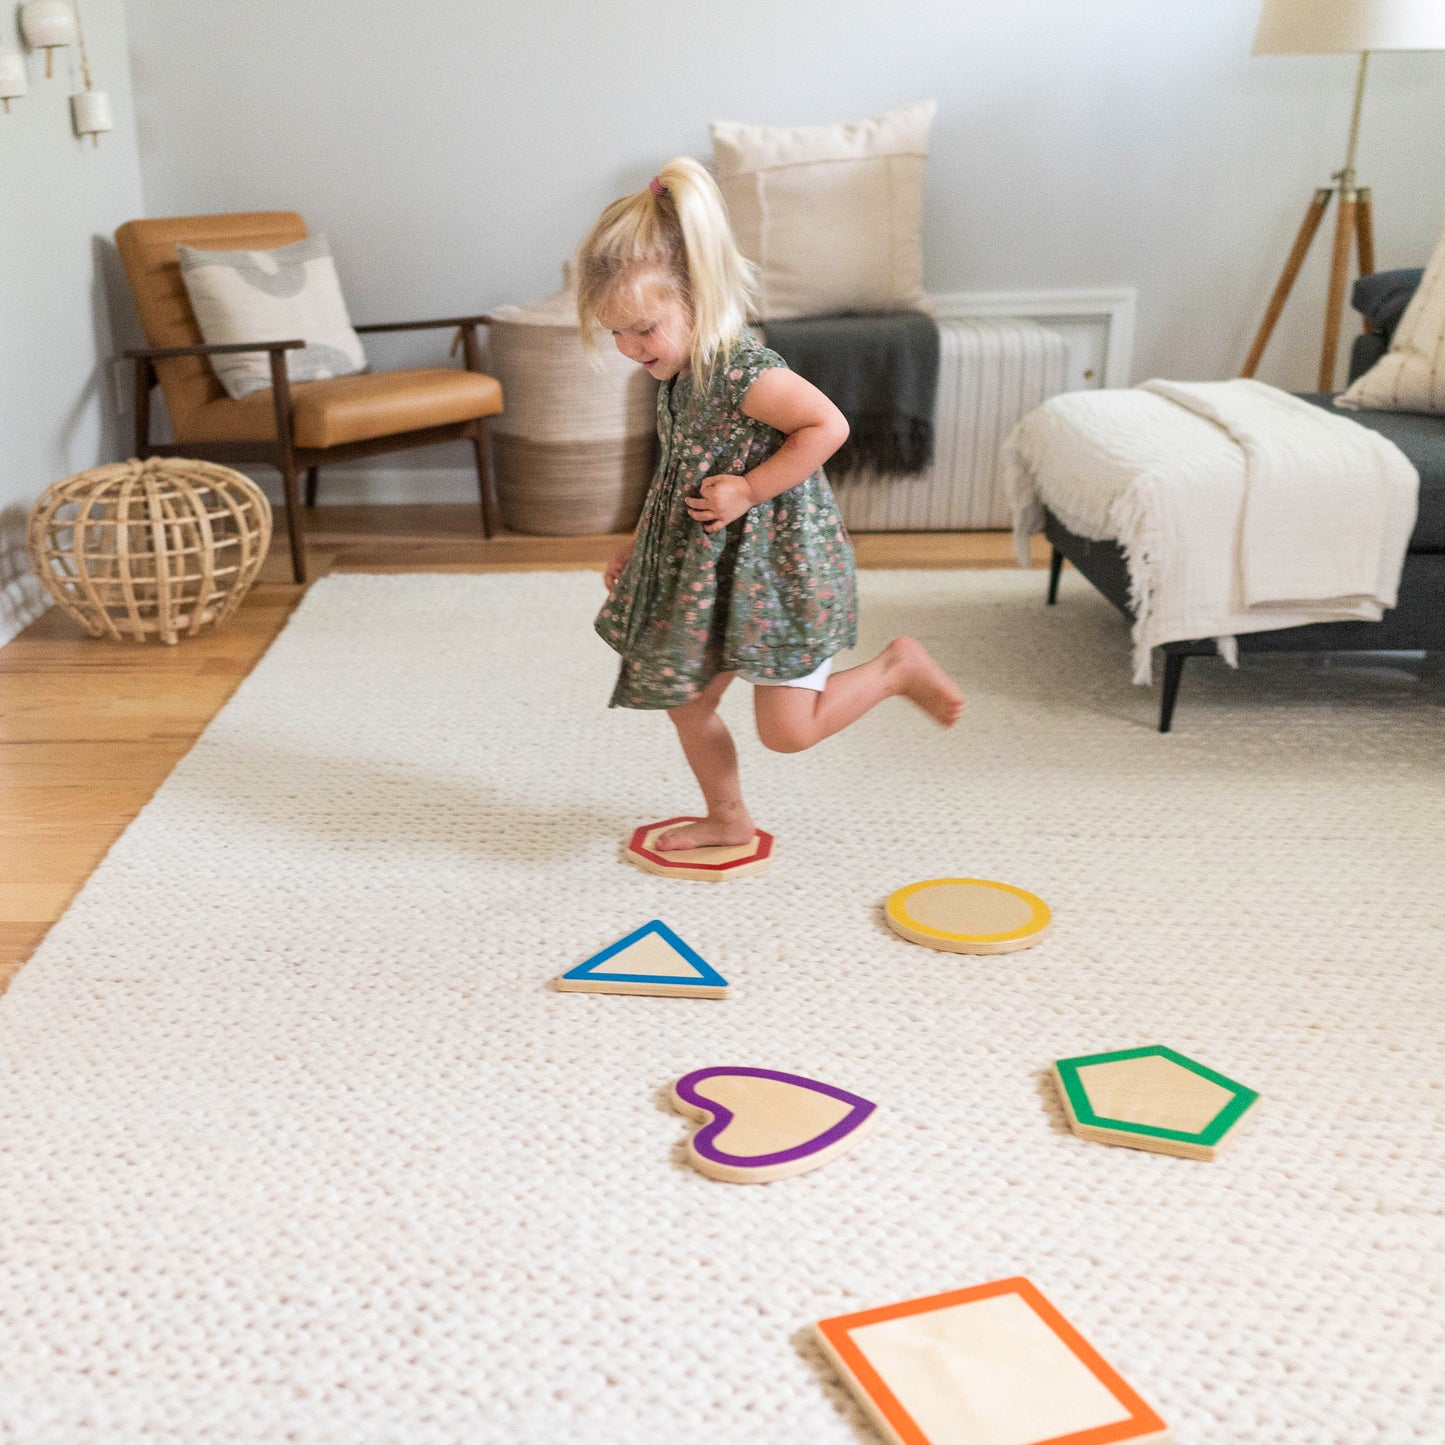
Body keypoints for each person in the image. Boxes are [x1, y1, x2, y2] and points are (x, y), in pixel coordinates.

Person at [577, 156, 963, 854]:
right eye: (616, 334)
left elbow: (829, 426)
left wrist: (751, 488)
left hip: (775, 574)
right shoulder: (674, 374)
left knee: (787, 731)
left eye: (643, 329)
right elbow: (675, 471)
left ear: (696, 297)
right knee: (686, 702)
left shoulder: (745, 372)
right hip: (710, 572)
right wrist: (640, 541)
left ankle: (894, 667)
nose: (631, 349)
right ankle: (727, 818)